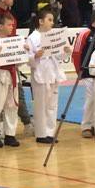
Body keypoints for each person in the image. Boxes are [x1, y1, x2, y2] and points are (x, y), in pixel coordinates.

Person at [0, 12, 22, 148]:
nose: (12, 27)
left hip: (12, 75)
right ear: (0, 26)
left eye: (12, 25)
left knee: (12, 106)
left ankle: (10, 134)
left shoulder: (14, 41)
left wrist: (23, 52)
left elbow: (19, 62)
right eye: (9, 25)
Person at [27, 10, 63, 144]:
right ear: (41, 21)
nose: (52, 23)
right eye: (49, 20)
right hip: (40, 74)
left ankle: (50, 132)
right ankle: (41, 134)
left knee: (52, 105)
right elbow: (27, 59)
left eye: (53, 20)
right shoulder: (32, 37)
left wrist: (65, 52)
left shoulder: (53, 36)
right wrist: (35, 56)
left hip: (53, 73)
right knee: (41, 105)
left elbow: (59, 56)